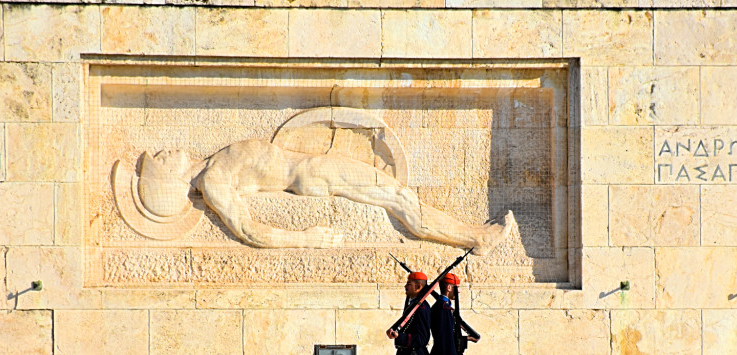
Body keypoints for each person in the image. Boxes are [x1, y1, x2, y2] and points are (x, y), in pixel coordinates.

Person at [117, 140, 512, 254]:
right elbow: (248, 230)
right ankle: (474, 238)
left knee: (397, 197)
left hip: (314, 166)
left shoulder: (213, 160)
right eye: (161, 164)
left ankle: (471, 235)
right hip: (312, 174)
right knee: (398, 198)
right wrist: (305, 238)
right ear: (171, 180)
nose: (163, 154)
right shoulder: (214, 179)